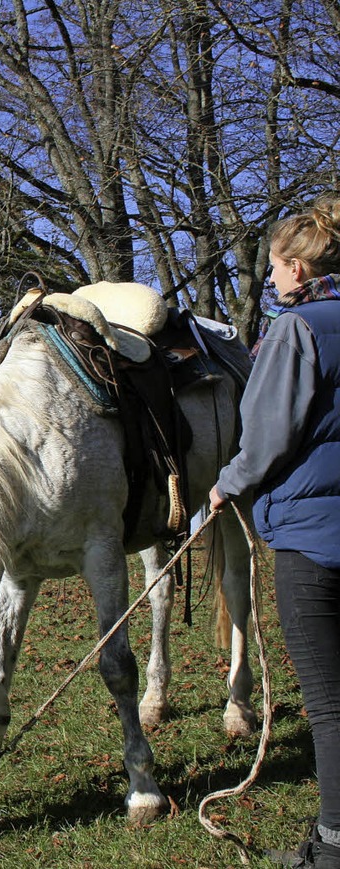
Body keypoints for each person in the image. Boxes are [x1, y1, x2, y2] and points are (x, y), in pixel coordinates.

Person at [209, 194, 340, 869]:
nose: (270, 280)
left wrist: (228, 481)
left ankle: (334, 843)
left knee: (327, 702)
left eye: (273, 268)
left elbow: (265, 432)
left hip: (314, 538)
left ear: (295, 266)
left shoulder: (297, 330)